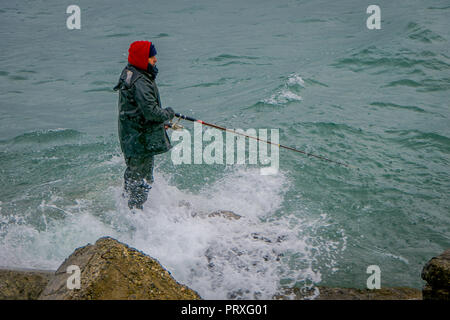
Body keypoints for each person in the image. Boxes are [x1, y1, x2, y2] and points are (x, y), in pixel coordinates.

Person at [113, 40, 175, 210]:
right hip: (139, 140)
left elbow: (140, 111)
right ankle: (136, 216)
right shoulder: (140, 81)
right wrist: (168, 113)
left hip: (132, 136)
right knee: (142, 179)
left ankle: (128, 212)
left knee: (134, 177)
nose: (155, 59)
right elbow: (151, 112)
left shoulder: (130, 73)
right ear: (142, 59)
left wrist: (162, 122)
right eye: (151, 57)